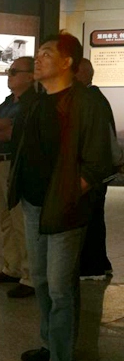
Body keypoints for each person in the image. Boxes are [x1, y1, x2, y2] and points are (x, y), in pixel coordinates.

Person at [8, 33, 112, 361]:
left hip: (65, 207)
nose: (37, 59)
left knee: (60, 286)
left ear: (67, 62)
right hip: (33, 203)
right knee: (40, 279)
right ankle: (50, 343)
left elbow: (100, 160)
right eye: (37, 53)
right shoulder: (37, 101)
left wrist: (72, 192)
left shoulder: (87, 102)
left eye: (46, 54)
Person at [0, 57, 36, 298]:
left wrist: (1, 126)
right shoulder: (8, 102)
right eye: (9, 71)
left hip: (15, 163)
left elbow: (14, 133)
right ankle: (12, 267)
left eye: (14, 72)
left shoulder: (33, 102)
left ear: (30, 76)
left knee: (19, 219)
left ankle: (29, 275)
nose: (9, 76)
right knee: (5, 218)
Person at [76, 58, 115, 280]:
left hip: (92, 172)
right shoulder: (96, 98)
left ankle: (92, 267)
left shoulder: (91, 100)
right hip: (96, 171)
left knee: (90, 219)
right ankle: (99, 263)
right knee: (94, 217)